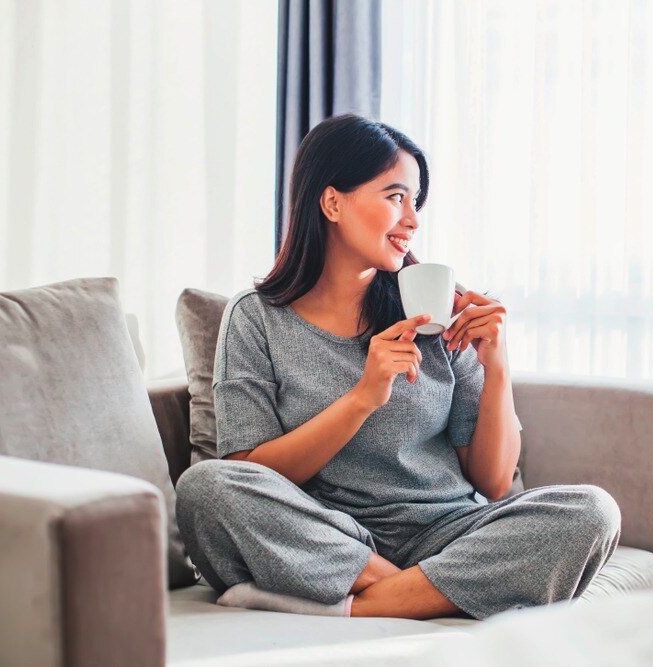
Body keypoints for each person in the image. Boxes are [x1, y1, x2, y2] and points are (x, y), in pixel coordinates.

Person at [175, 114, 621, 620]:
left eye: (415, 202)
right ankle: (422, 593)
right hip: (328, 535)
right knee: (205, 488)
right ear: (332, 202)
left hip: (447, 533)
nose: (412, 219)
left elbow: (494, 483)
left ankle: (355, 608)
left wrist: (497, 368)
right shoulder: (255, 318)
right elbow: (250, 474)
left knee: (591, 511)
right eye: (395, 197)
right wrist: (362, 398)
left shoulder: (439, 314)